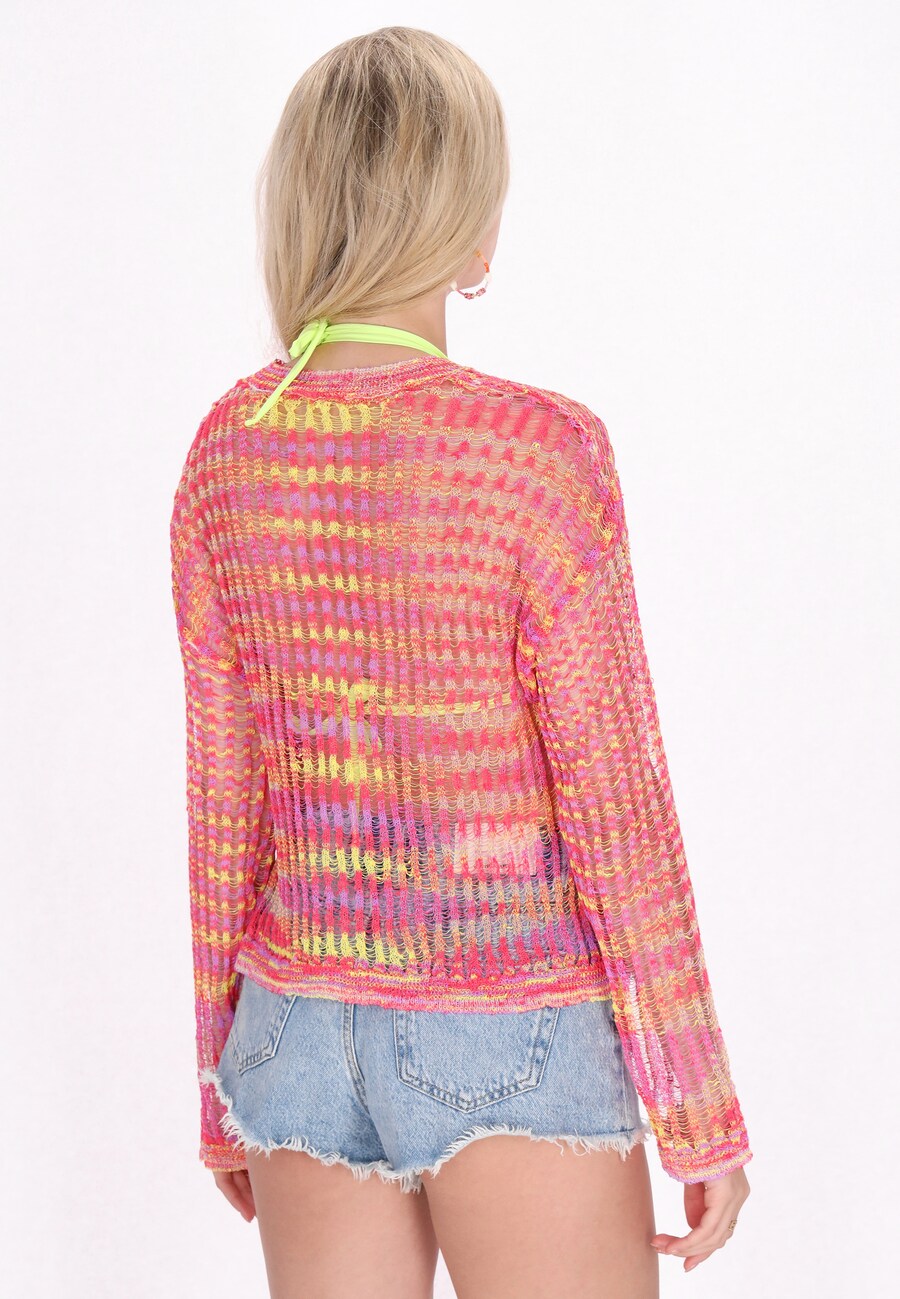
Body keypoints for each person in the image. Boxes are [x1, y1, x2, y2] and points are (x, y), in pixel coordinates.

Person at [169, 25, 751, 1299]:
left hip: (292, 1032)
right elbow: (615, 807)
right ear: (470, 232)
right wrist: (698, 1107)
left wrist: (221, 1076)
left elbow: (225, 805)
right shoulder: (536, 454)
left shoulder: (227, 454)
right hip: (508, 1012)